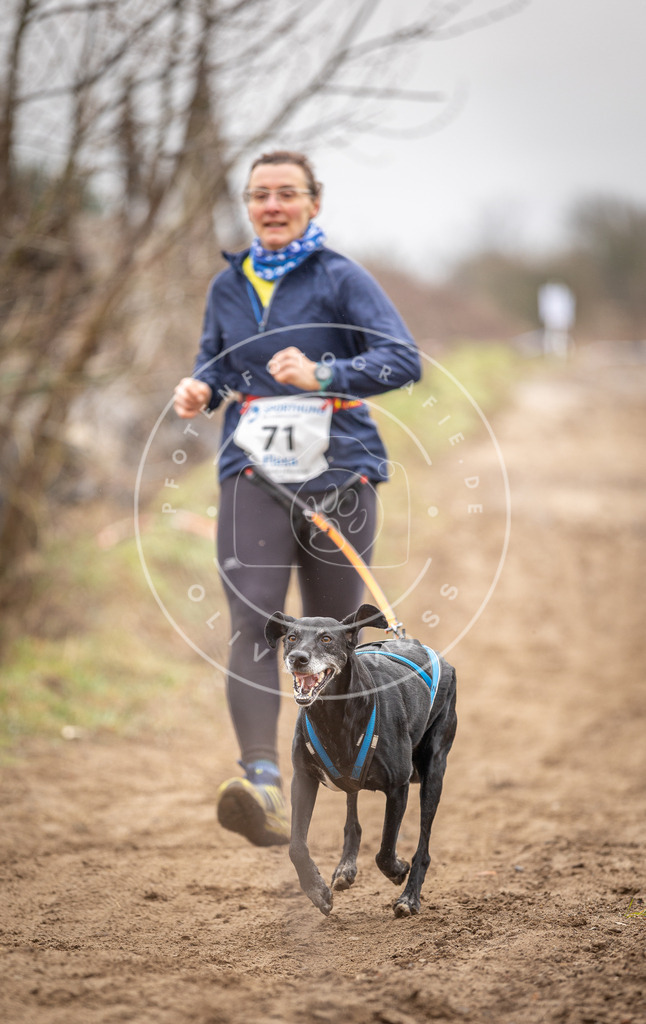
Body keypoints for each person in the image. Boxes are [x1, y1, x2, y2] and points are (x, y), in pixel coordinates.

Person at [174, 150, 421, 847]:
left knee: (331, 638)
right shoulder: (229, 284)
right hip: (252, 471)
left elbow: (403, 359)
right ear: (248, 205)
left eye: (287, 194)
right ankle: (262, 784)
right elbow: (216, 369)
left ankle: (336, 768)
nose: (272, 206)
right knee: (254, 621)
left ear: (314, 202)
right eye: (260, 195)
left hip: (339, 473)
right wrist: (200, 391)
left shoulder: (342, 277)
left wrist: (324, 371)